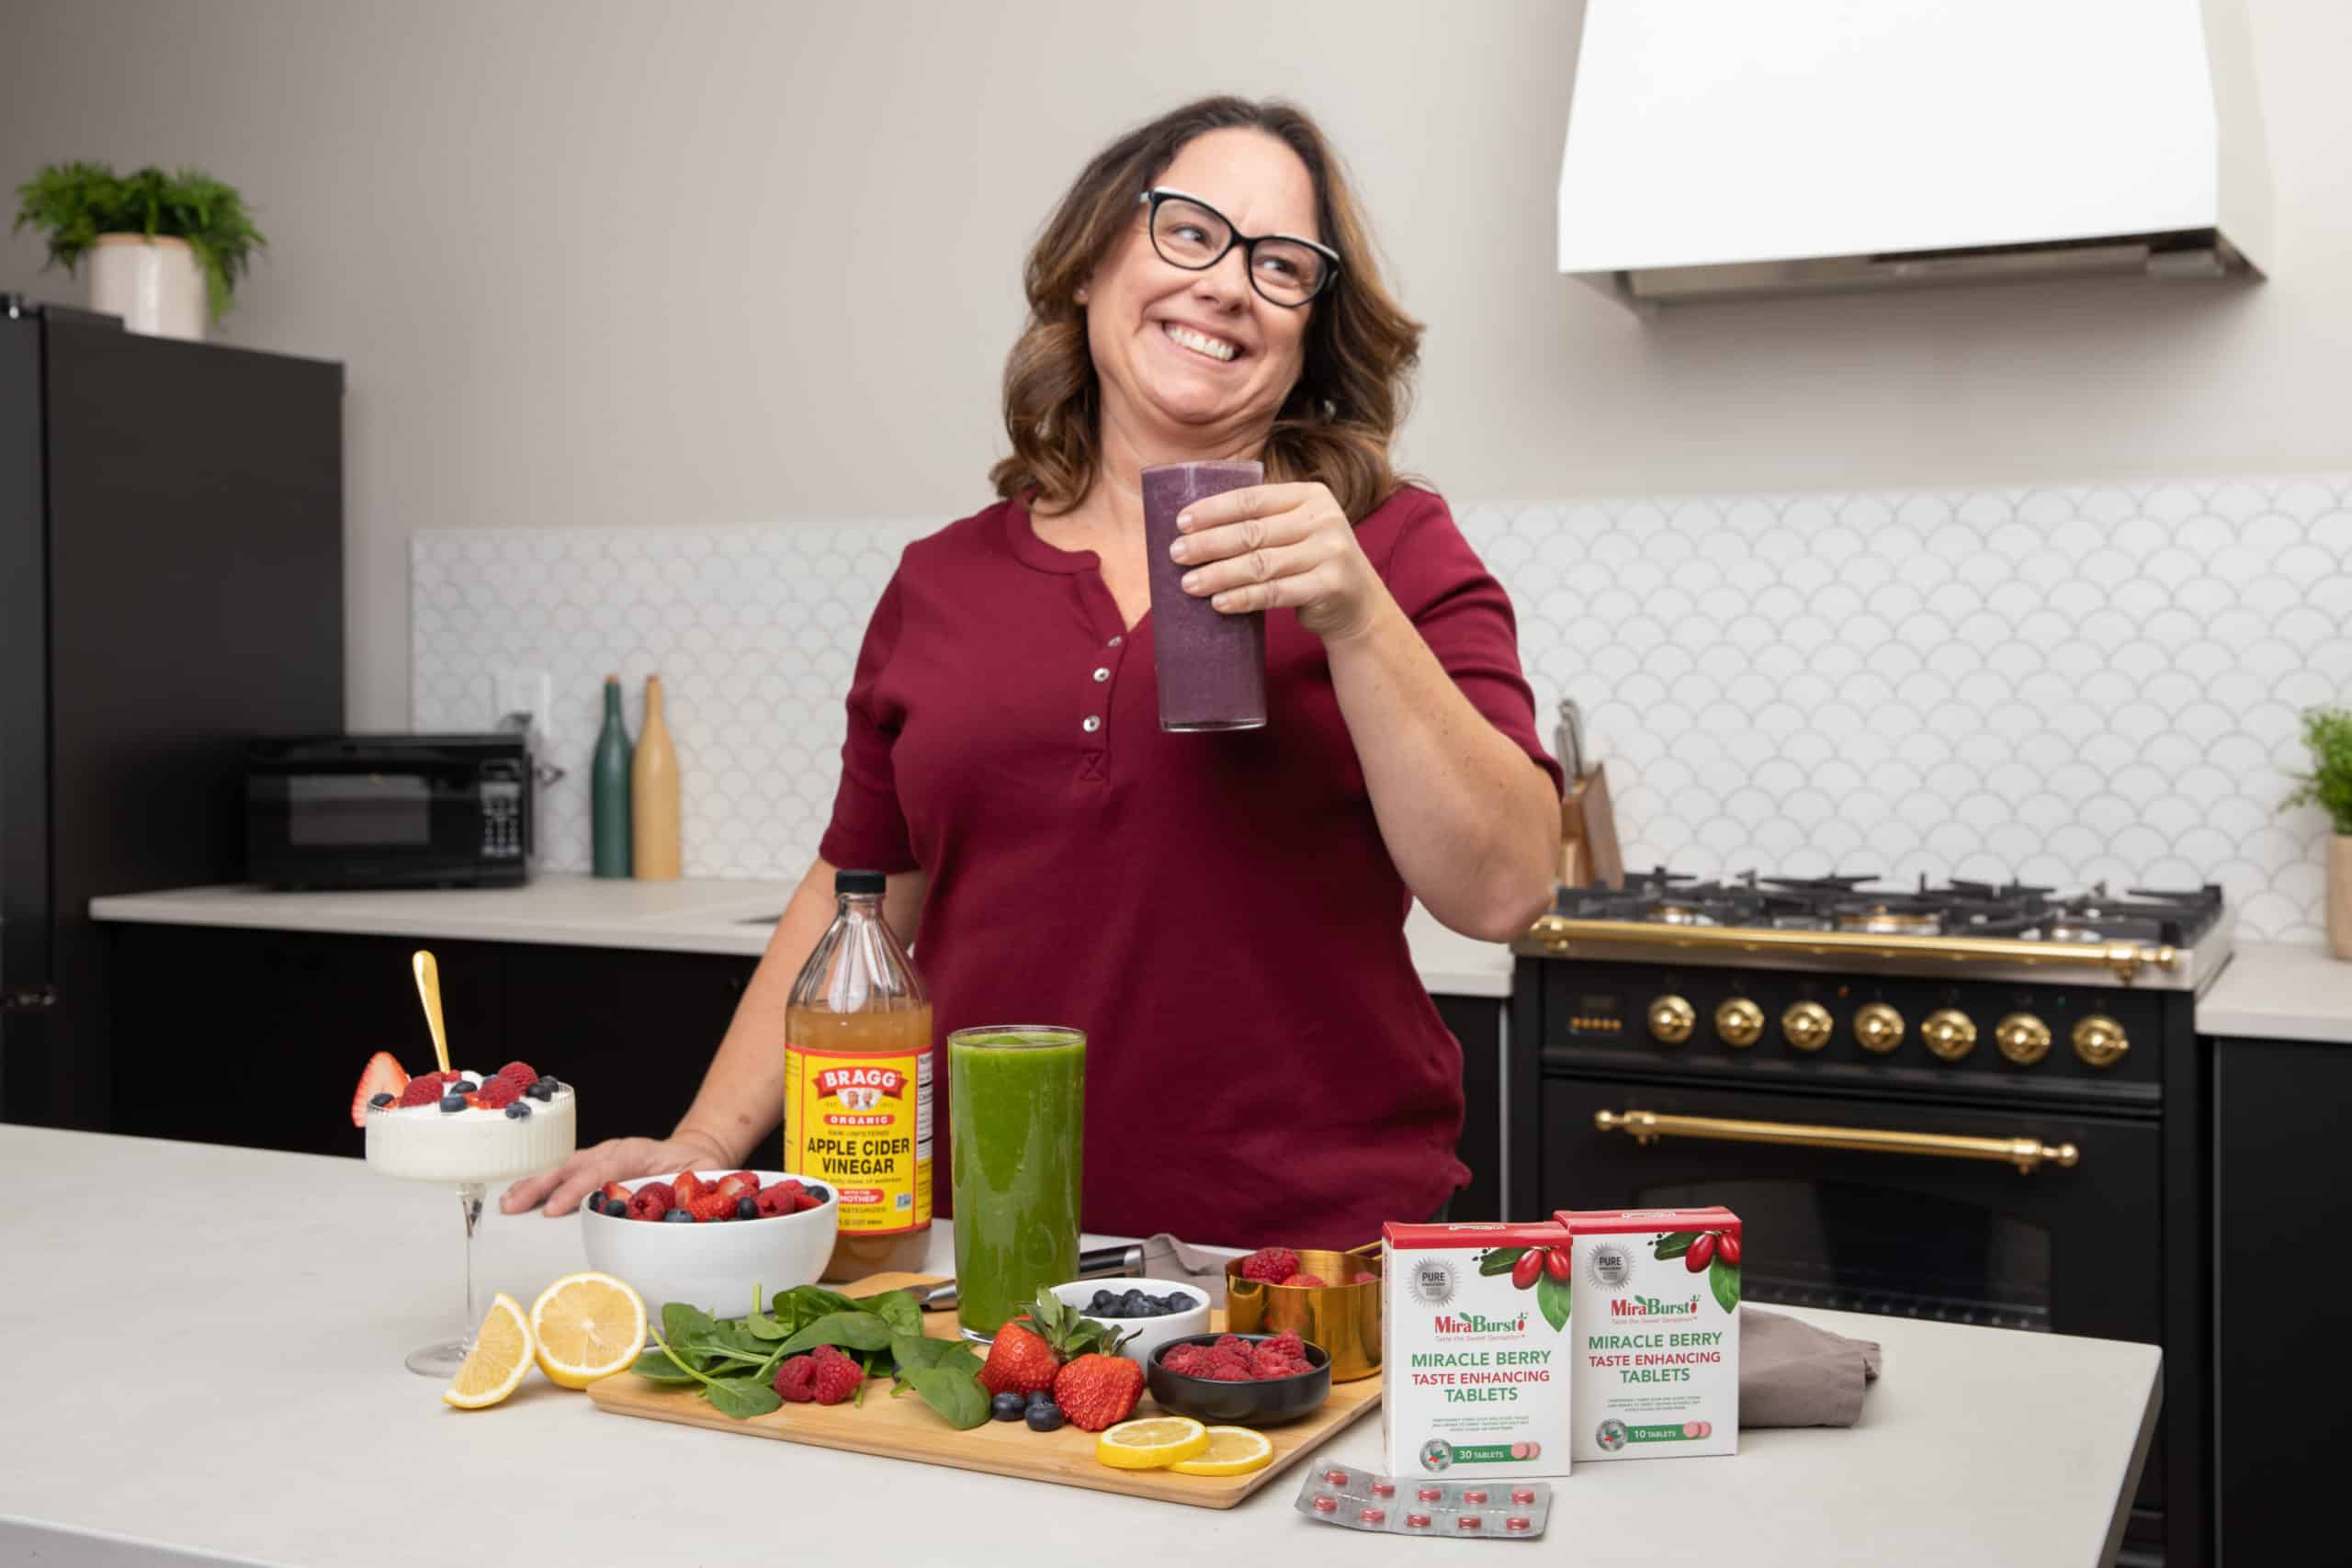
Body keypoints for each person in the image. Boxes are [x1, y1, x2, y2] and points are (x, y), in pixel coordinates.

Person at [505, 96, 1561, 1248]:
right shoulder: (939, 581)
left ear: (1309, 328)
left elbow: (1505, 890)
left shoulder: (1392, 545)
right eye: (1190, 232)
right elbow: (859, 896)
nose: (1226, 283)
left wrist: (1355, 614)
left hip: (1302, 1257)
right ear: (1090, 266)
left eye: (1280, 264)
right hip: (975, 1243)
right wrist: (707, 1143)